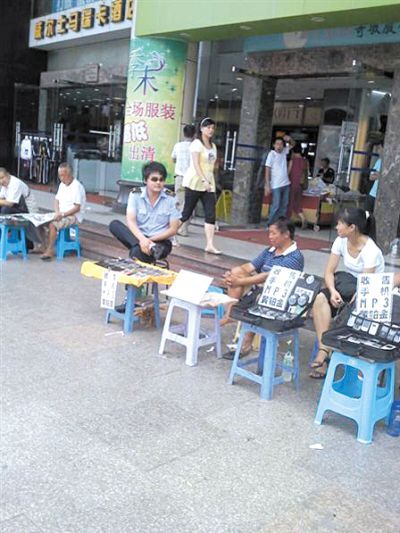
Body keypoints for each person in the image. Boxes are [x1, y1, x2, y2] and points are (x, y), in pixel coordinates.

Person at [310, 207, 385, 378]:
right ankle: (323, 349)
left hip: (369, 294)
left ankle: (329, 357)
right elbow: (329, 271)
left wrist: (346, 305)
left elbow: (365, 287)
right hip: (347, 287)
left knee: (344, 315)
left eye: (340, 224)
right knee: (320, 298)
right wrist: (332, 291)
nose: (336, 227)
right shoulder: (340, 241)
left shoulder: (371, 251)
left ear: (352, 228)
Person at [220, 218, 304, 352]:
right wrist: (231, 275)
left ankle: (246, 340)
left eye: (273, 233)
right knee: (237, 271)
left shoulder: (294, 256)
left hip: (279, 295)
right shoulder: (269, 251)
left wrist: (239, 281)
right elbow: (249, 266)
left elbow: (269, 276)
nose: (270, 237)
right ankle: (230, 314)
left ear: (286, 234)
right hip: (259, 287)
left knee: (259, 296)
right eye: (269, 233)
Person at [109, 161, 180, 263]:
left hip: (161, 241)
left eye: (161, 180)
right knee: (114, 225)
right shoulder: (135, 194)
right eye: (154, 179)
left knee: (137, 252)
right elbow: (131, 221)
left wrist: (149, 240)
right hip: (139, 236)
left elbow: (173, 229)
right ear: (145, 180)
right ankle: (149, 248)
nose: (158, 182)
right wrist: (142, 239)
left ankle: (146, 248)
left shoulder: (171, 198)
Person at [180, 117, 221, 254]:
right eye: (208, 127)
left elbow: (212, 164)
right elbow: (196, 164)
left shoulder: (213, 146)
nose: (211, 130)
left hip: (209, 184)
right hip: (195, 182)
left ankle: (210, 244)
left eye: (213, 128)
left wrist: (211, 180)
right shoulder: (196, 144)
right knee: (186, 213)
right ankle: (170, 234)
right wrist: (203, 180)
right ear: (202, 129)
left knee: (211, 214)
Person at [40, 163, 86, 261]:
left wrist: (63, 214)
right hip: (61, 213)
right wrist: (57, 212)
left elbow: (77, 208)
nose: (61, 178)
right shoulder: (62, 185)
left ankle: (50, 249)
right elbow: (56, 200)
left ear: (69, 175)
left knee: (53, 224)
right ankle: (42, 246)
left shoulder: (77, 187)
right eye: (59, 175)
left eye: (63, 175)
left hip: (73, 216)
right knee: (40, 221)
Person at [264, 135, 295, 227]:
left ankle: (280, 225)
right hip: (276, 185)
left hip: (286, 183)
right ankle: (269, 223)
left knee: (284, 205)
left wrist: (289, 139)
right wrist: (267, 184)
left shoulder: (284, 152)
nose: (279, 146)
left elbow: (293, 144)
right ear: (274, 145)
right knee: (276, 205)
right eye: (277, 144)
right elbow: (267, 169)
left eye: (281, 144)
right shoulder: (271, 154)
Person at [171, 124, 195, 237]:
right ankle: (183, 228)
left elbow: (173, 159)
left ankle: (178, 227)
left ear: (183, 134)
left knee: (179, 203)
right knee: (189, 203)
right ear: (194, 134)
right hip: (192, 179)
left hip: (180, 177)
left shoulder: (178, 146)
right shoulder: (196, 147)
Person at [287, 144, 308, 228]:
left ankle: (287, 221)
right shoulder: (305, 161)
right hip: (300, 184)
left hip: (292, 183)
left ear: (293, 152)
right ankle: (303, 218)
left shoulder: (292, 160)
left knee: (290, 202)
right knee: (297, 202)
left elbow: (288, 172)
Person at [366, 143, 383, 214]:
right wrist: (380, 175)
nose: (378, 151)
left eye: (379, 148)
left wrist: (380, 175)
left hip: (382, 196)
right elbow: (371, 177)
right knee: (367, 215)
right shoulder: (379, 161)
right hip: (372, 194)